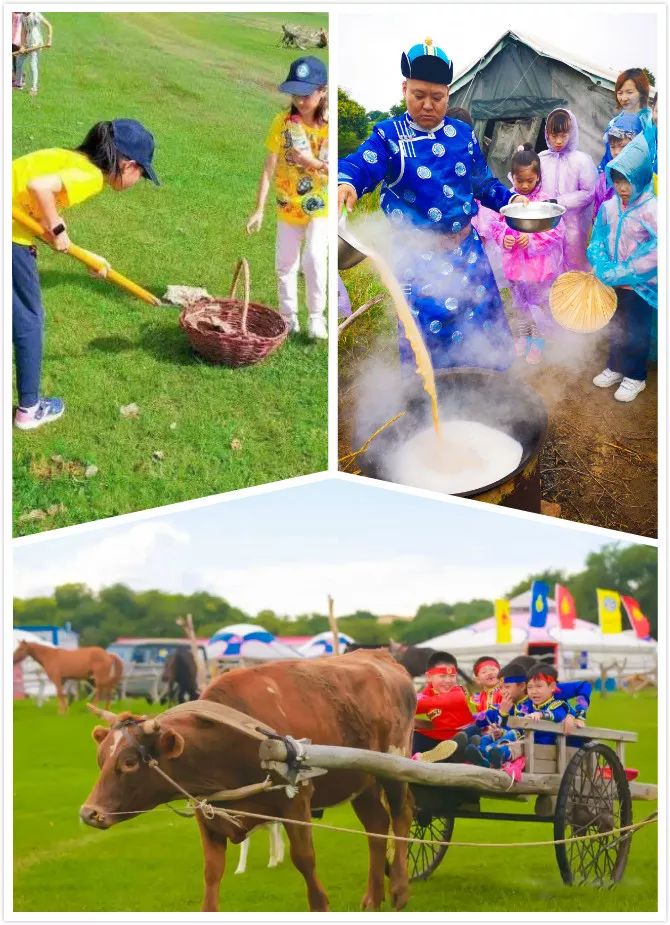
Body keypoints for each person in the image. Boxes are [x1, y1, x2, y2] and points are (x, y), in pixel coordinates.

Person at [338, 39, 529, 374]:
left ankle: (489, 392)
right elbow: (361, 164)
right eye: (418, 95)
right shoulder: (388, 136)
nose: (428, 105)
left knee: (482, 328)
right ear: (404, 89)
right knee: (427, 339)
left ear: (448, 94)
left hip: (469, 255)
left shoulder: (463, 135)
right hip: (417, 261)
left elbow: (483, 184)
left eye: (437, 97)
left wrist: (512, 200)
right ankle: (431, 407)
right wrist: (348, 181)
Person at [12, 119, 159, 430]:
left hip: (14, 229)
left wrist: (84, 253)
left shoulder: (72, 160)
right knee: (29, 320)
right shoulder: (91, 177)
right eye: (142, 174)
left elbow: (33, 206)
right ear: (128, 165)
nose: (139, 180)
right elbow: (38, 189)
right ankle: (29, 409)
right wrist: (58, 228)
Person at [247, 56, 328, 339]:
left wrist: (311, 162)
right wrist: (259, 210)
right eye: (296, 94)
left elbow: (333, 168)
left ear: (323, 91)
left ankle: (317, 316)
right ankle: (288, 316)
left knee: (315, 258)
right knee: (285, 263)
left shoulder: (330, 125)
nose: (301, 101)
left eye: (307, 94)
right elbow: (269, 167)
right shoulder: (282, 123)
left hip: (321, 205)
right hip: (287, 204)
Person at [588, 135, 657, 403]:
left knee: (637, 330)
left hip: (641, 285)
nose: (622, 188)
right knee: (615, 325)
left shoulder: (652, 209)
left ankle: (635, 375)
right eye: (617, 181)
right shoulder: (609, 207)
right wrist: (603, 266)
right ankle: (615, 366)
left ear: (641, 177)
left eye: (627, 181)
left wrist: (625, 270)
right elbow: (598, 240)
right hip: (614, 284)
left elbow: (658, 249)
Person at [487, 144, 565, 364]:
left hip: (539, 267)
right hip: (514, 265)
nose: (523, 186)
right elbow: (496, 224)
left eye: (529, 181)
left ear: (538, 177)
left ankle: (537, 343)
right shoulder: (508, 199)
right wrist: (504, 238)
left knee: (538, 306)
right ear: (513, 177)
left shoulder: (546, 201)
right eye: (519, 181)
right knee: (520, 305)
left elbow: (557, 232)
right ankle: (523, 337)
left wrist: (531, 240)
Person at [538, 108, 597, 272]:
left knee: (574, 269)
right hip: (546, 227)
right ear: (547, 133)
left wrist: (558, 202)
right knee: (549, 267)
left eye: (563, 135)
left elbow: (588, 193)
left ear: (572, 133)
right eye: (554, 135)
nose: (558, 141)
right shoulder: (542, 159)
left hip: (573, 227)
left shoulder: (582, 161)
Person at [412, 662, 473, 761]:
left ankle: (433, 758)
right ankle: (418, 757)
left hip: (460, 733)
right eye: (442, 676)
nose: (448, 680)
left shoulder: (459, 690)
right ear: (429, 677)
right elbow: (411, 709)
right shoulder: (426, 694)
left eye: (452, 676)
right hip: (439, 735)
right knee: (416, 736)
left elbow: (445, 700)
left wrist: (413, 704)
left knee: (461, 740)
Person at [599, 69, 653, 174]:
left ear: (642, 92)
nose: (623, 98)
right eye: (620, 93)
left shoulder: (649, 122)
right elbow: (607, 157)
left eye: (629, 92)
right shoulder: (615, 121)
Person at [593, 113, 642, 219]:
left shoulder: (645, 178)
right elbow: (597, 215)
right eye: (613, 147)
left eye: (623, 146)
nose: (617, 152)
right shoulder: (604, 179)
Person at [15, 11, 53, 96]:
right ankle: (18, 84)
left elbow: (49, 26)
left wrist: (49, 39)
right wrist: (22, 45)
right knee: (19, 61)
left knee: (33, 64)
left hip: (36, 43)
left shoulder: (36, 14)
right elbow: (23, 31)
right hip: (27, 44)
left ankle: (34, 88)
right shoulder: (22, 16)